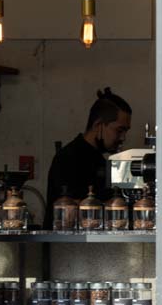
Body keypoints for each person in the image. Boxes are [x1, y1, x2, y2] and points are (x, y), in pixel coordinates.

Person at [45, 88, 132, 223]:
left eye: (125, 132)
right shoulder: (68, 158)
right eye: (119, 130)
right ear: (98, 125)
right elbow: (67, 211)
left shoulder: (100, 160)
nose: (123, 138)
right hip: (67, 243)